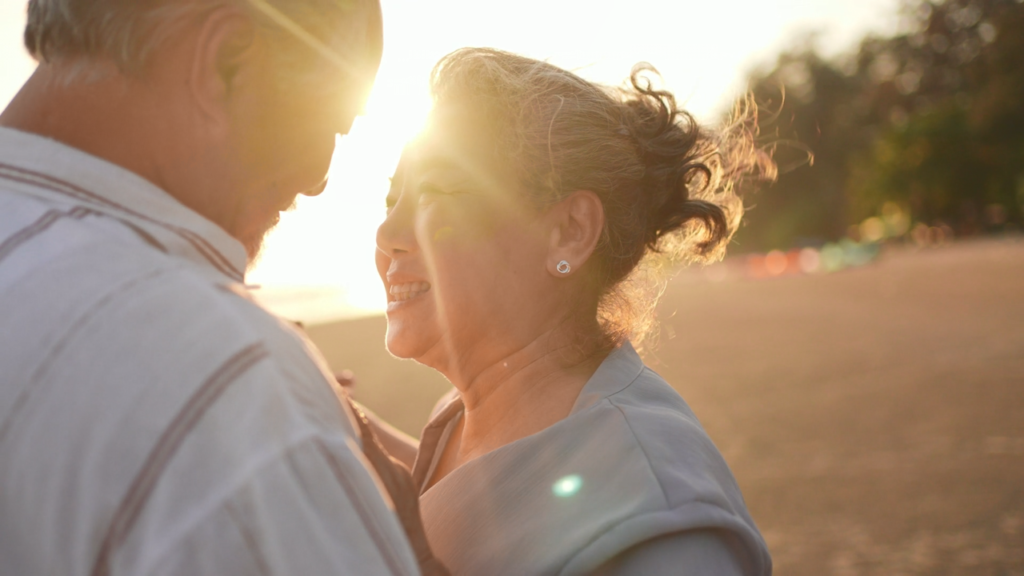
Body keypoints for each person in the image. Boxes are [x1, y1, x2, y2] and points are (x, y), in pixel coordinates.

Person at [0, 1, 442, 574]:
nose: (317, 178)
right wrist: (417, 548)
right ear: (227, 63)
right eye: (332, 121)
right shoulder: (220, 378)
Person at [373, 48, 777, 575]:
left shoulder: (665, 523)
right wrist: (338, 419)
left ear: (570, 232)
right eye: (390, 201)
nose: (387, 236)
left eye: (434, 195)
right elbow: (489, 498)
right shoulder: (470, 411)